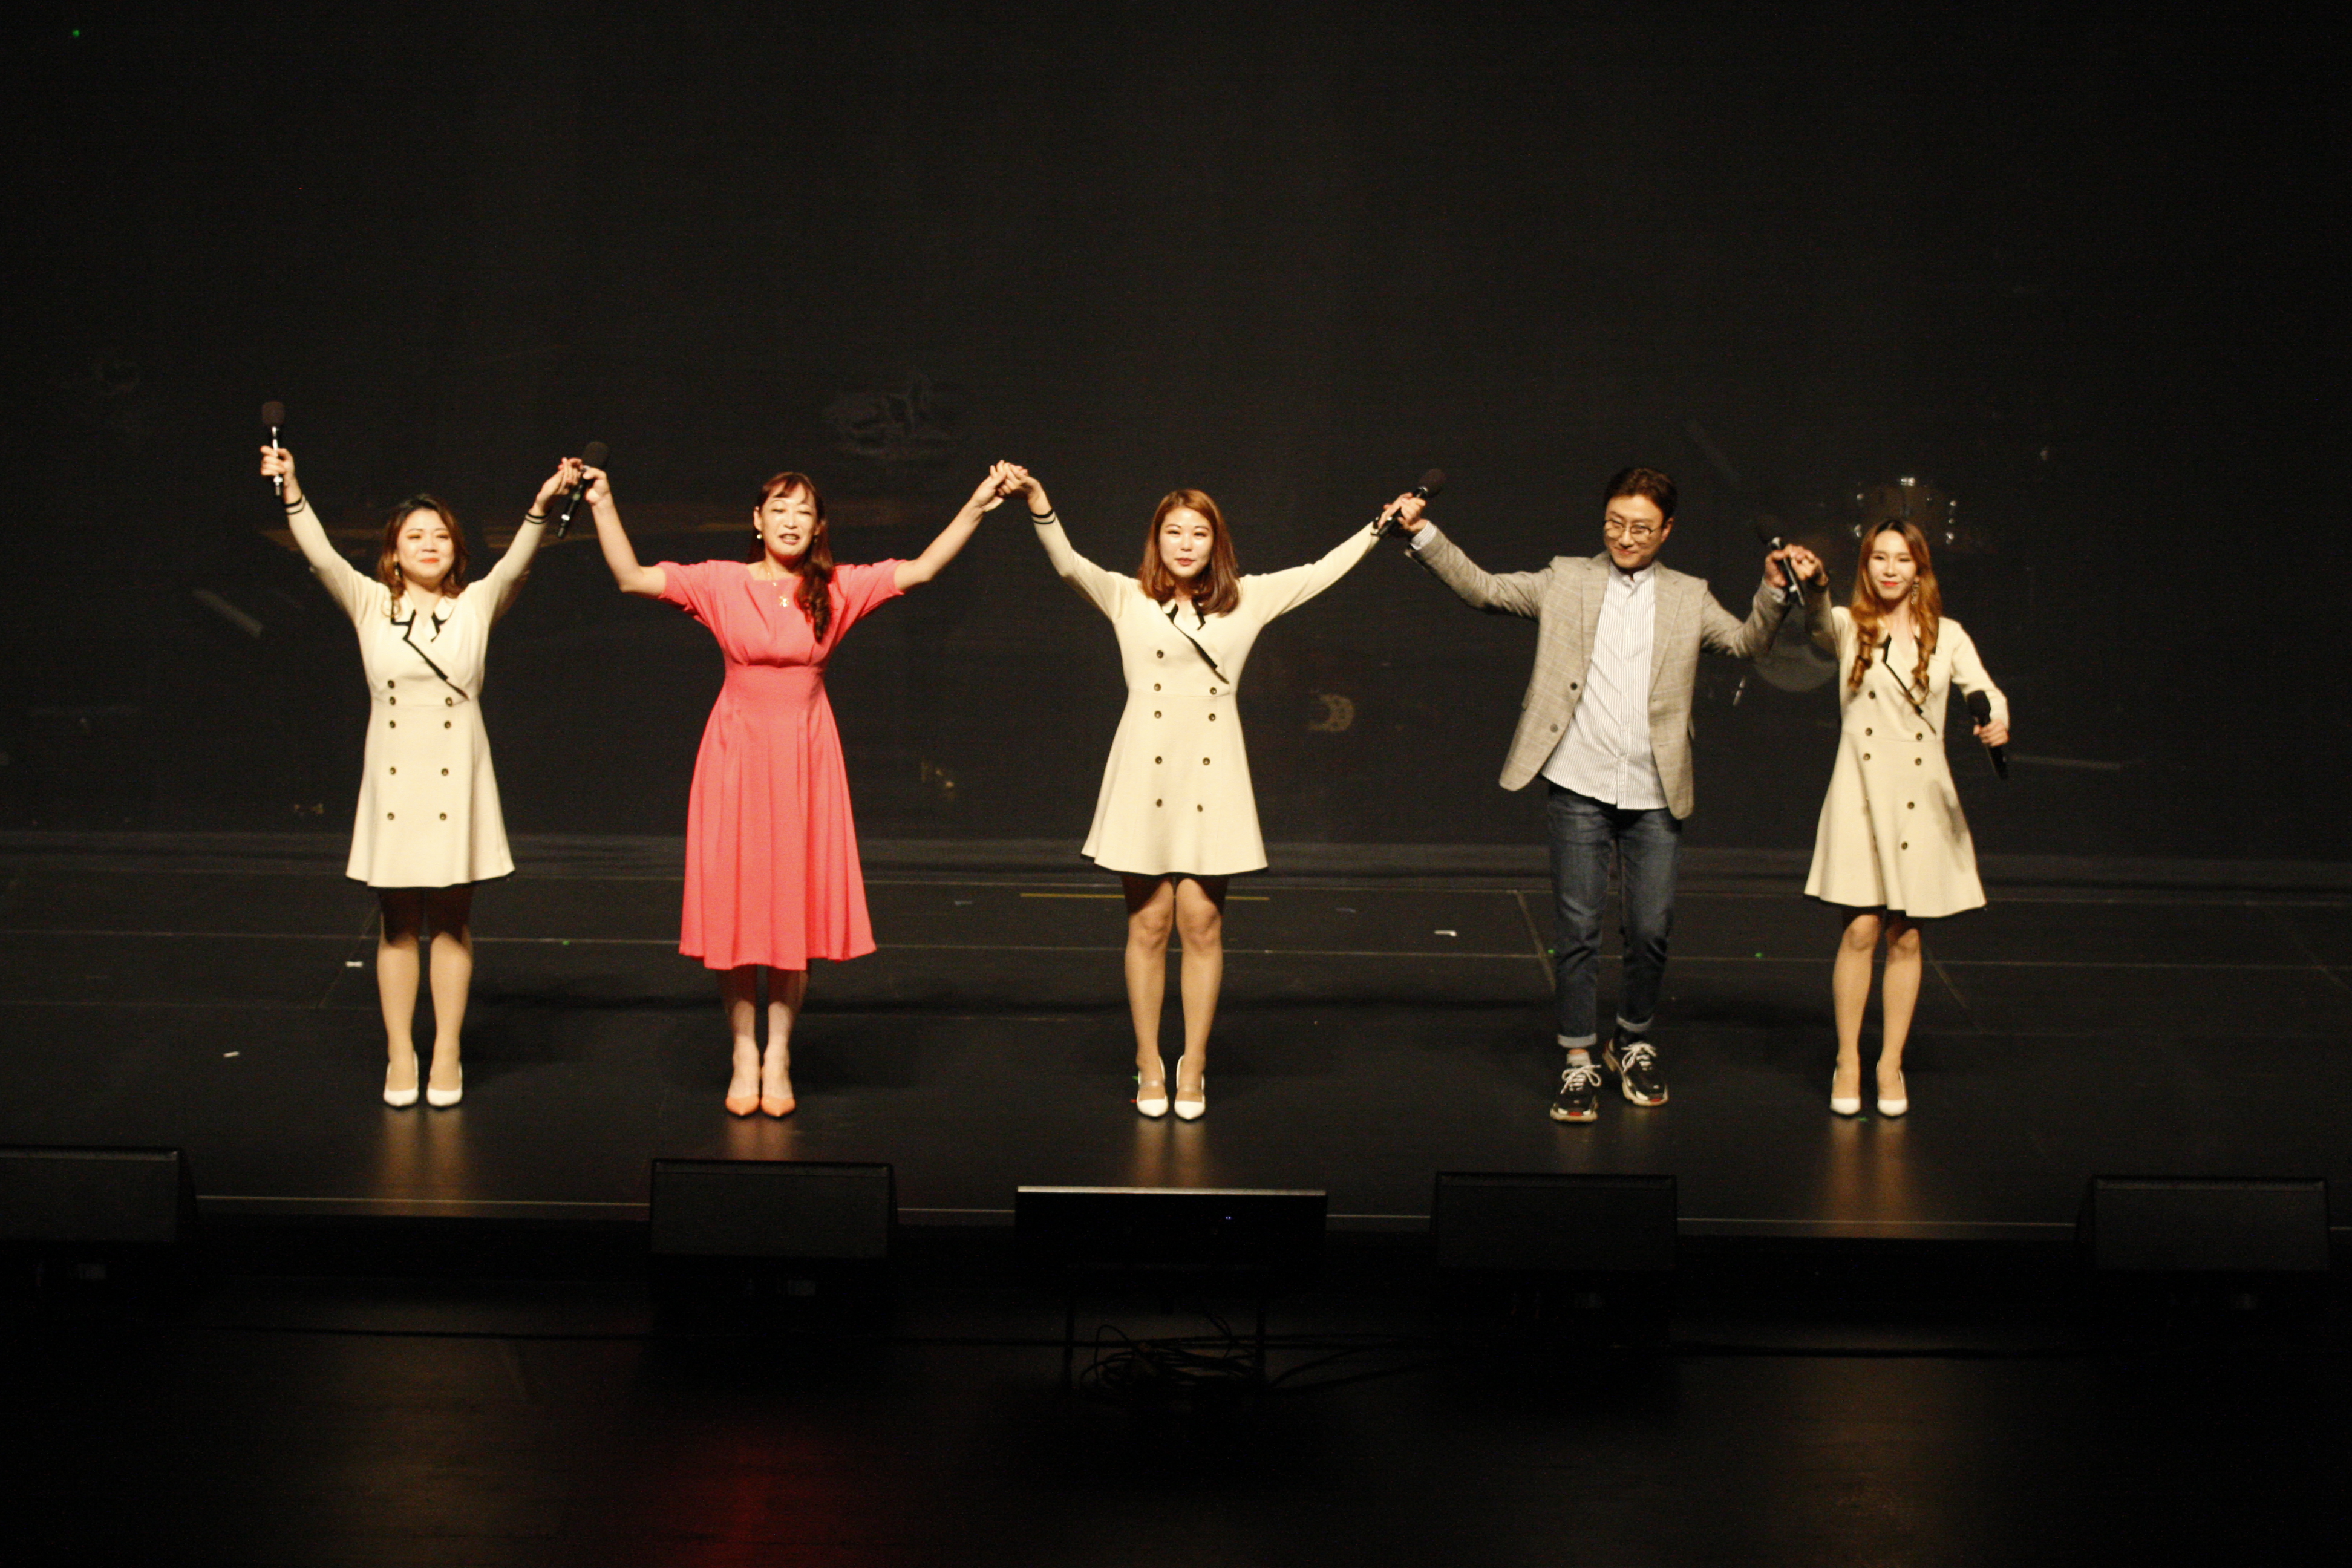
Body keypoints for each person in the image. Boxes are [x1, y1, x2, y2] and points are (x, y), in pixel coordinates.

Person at [584, 459, 1017, 1116]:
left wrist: (980, 501)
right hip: (735, 759)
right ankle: (743, 1051)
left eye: (804, 512)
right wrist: (603, 500)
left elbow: (924, 569)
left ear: (819, 527)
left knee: (790, 909)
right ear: (757, 521)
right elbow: (630, 576)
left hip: (805, 762)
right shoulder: (720, 582)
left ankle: (779, 1053)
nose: (791, 521)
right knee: (737, 911)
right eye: (779, 510)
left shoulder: (837, 588)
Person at [1395, 467, 1818, 1122]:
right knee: (1578, 930)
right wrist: (1424, 535)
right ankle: (1578, 1057)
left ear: (1667, 531)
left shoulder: (1687, 595)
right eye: (1615, 524)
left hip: (1654, 787)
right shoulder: (1568, 578)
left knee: (1650, 929)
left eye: (1641, 528)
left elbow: (1745, 644)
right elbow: (1485, 590)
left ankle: (1633, 1039)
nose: (1625, 538)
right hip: (1578, 780)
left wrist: (1772, 592)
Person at [1009, 466, 1424, 1120]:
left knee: (1202, 924)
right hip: (1145, 771)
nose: (1185, 543)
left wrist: (1378, 528)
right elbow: (1067, 564)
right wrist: (1039, 500)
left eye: (1198, 533)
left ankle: (1194, 1063)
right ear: (1156, 540)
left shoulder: (1247, 599)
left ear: (1216, 542)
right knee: (1149, 923)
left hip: (1212, 771)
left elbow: (1321, 571)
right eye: (1173, 531)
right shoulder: (1126, 597)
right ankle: (1150, 1060)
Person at [261, 443, 572, 1108]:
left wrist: (541, 506)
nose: (429, 545)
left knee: (452, 924)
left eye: (441, 536)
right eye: (415, 536)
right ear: (393, 552)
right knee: (398, 924)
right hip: (396, 781)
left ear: (456, 551)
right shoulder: (371, 603)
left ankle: (449, 1050)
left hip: (457, 778)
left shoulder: (476, 605)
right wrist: (291, 489)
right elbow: (321, 555)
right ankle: (401, 1052)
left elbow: (518, 562)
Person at [1804, 518, 2007, 1118]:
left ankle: (1889, 1062)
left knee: (1907, 935)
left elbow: (1986, 692)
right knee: (1860, 930)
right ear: (1865, 566)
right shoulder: (1849, 626)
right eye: (1879, 558)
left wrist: (1995, 722)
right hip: (1861, 791)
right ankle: (1848, 1058)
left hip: (1919, 792)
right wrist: (1814, 585)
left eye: (1902, 559)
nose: (1890, 569)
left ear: (1919, 569)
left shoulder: (1948, 635)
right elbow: (1816, 623)